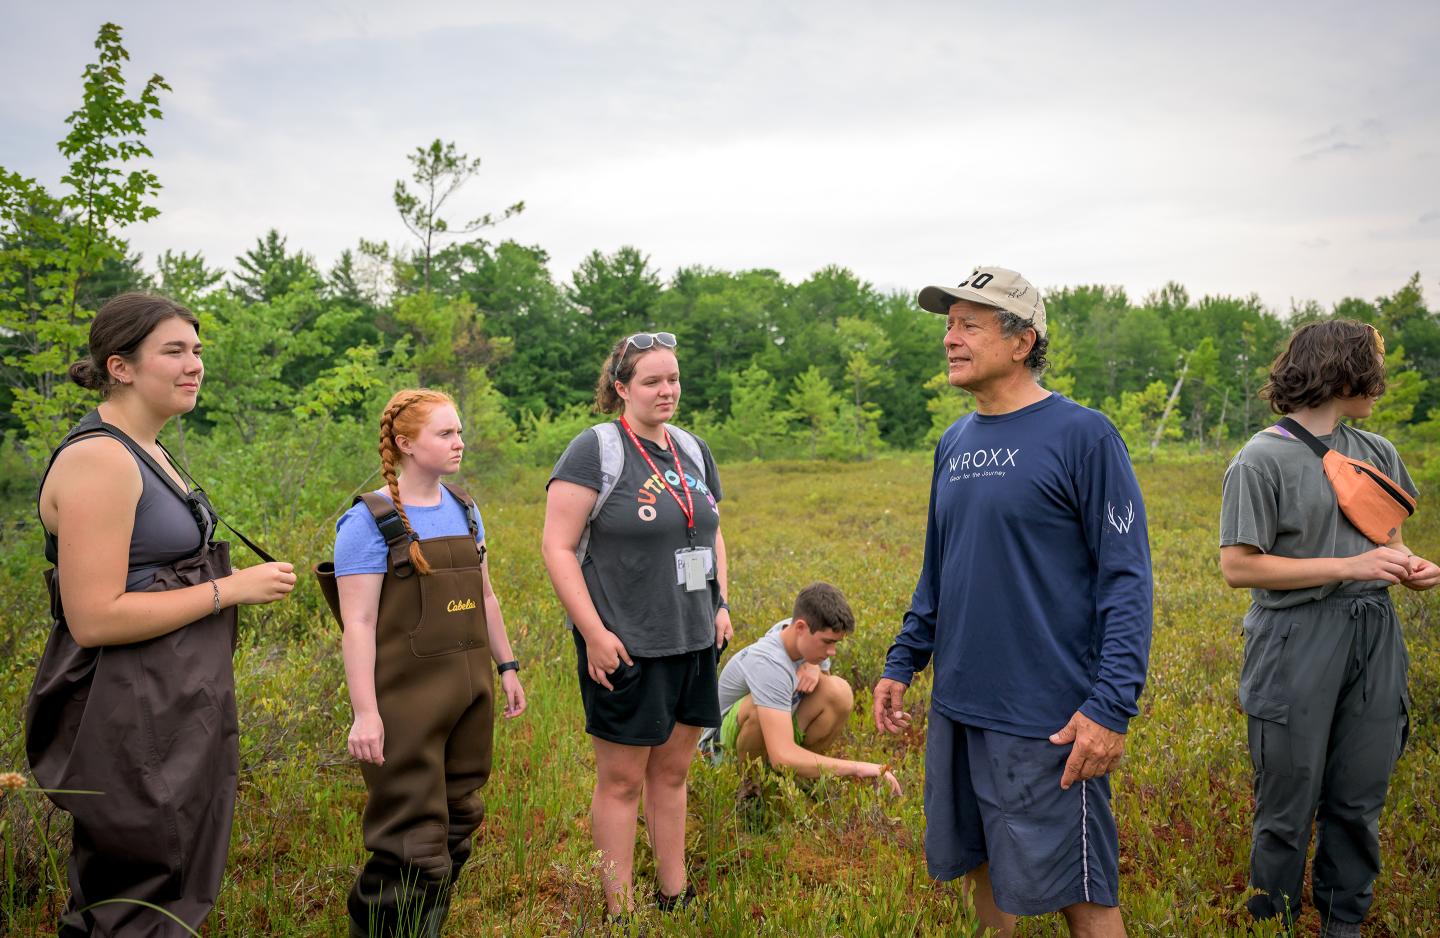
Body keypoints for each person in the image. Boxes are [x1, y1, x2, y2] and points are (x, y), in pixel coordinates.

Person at [873, 267, 1153, 938]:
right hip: (960, 706)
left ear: (1022, 340)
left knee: (1081, 894)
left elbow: (1127, 580)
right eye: (948, 324)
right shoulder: (954, 443)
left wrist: (1110, 707)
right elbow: (939, 568)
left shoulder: (1084, 436)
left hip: (1047, 718)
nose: (950, 339)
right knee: (981, 867)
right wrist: (902, 660)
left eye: (970, 325)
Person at [26, 292, 297, 937]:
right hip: (129, 706)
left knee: (176, 881)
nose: (193, 364)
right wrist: (228, 590)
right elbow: (93, 617)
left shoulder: (148, 450)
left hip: (173, 697)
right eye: (173, 351)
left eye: (197, 350)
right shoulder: (100, 459)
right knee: (140, 891)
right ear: (120, 366)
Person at [1219, 319, 1434, 938]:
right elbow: (1239, 567)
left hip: (1375, 634)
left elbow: (1390, 540)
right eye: (1373, 370)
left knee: (1358, 798)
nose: (1381, 386)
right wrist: (1350, 566)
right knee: (1286, 806)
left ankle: (1345, 924)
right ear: (1343, 372)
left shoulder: (1378, 452)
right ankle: (1274, 923)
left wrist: (1410, 566)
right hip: (1293, 640)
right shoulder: (1260, 459)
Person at [541, 331, 730, 918]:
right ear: (621, 388)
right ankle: (619, 909)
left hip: (694, 637)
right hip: (626, 642)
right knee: (622, 780)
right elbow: (557, 546)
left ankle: (674, 892)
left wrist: (722, 604)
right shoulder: (595, 450)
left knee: (673, 772)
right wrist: (595, 633)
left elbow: (713, 530)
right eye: (652, 381)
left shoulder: (694, 450)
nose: (666, 390)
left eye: (673, 378)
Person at [332, 388, 526, 937]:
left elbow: (485, 597)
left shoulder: (465, 509)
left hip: (469, 697)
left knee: (460, 821)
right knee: (412, 841)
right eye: (445, 433)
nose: (460, 442)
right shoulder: (369, 521)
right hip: (404, 708)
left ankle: (422, 929)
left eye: (459, 431)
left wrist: (507, 666)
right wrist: (365, 713)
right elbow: (360, 626)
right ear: (405, 444)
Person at [701, 582, 901, 794]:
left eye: (836, 643)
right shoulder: (769, 664)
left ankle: (791, 780)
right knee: (759, 710)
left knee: (838, 692)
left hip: (776, 733)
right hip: (720, 753)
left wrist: (814, 664)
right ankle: (750, 793)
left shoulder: (795, 630)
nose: (832, 652)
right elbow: (782, 756)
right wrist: (858, 768)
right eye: (827, 642)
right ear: (801, 629)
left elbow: (823, 678)